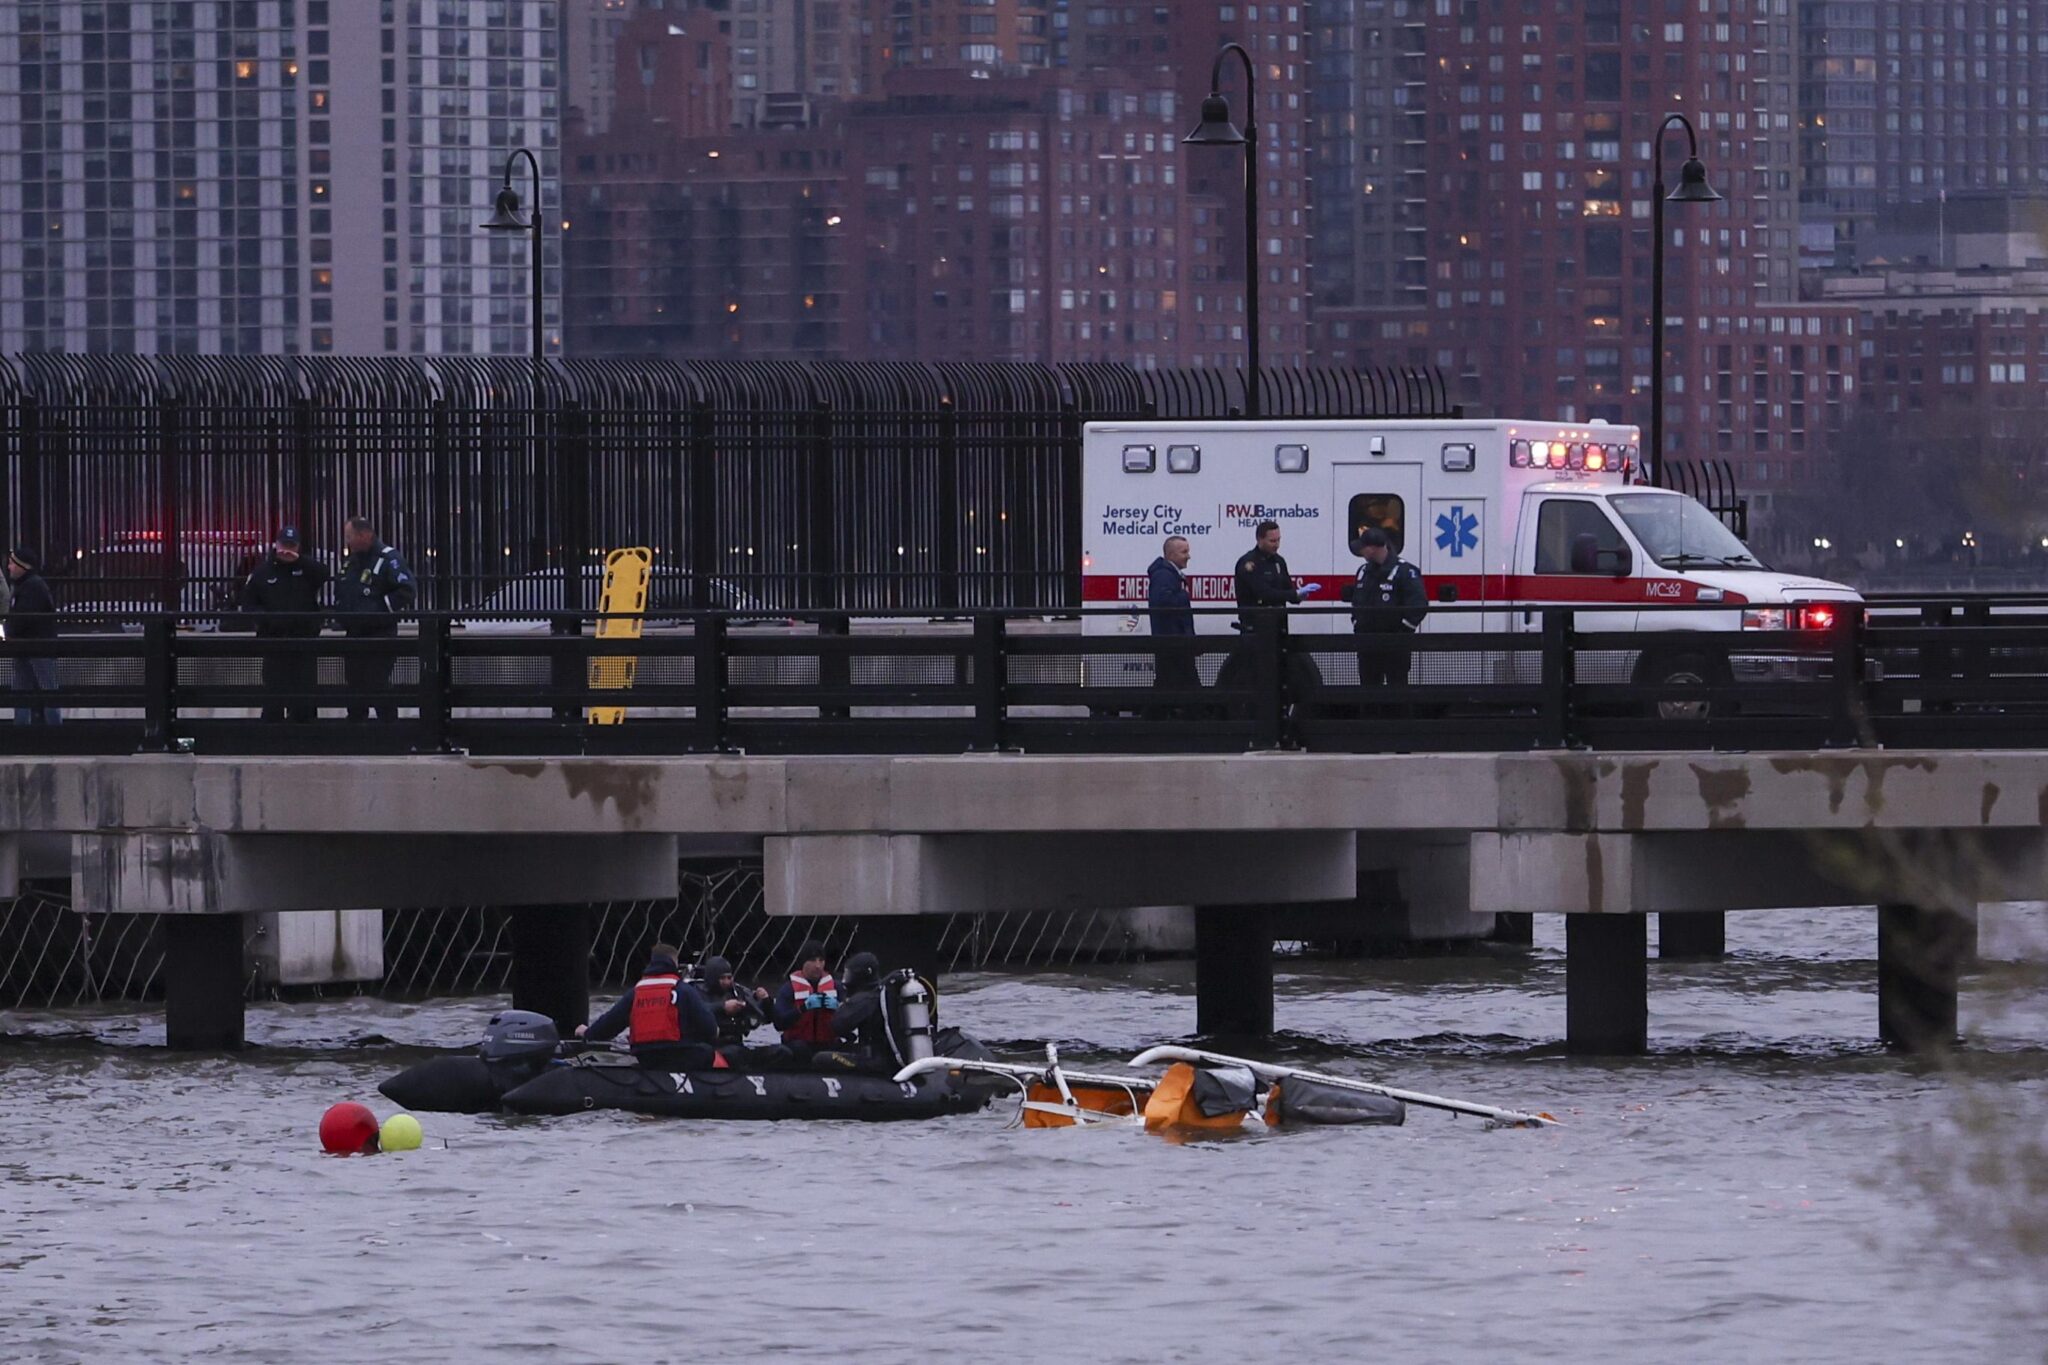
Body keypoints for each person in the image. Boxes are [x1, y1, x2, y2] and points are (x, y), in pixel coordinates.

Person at [576, 943, 719, 1070]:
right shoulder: (682, 990)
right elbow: (709, 1028)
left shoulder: (637, 991)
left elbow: (609, 1023)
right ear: (674, 962)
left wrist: (587, 1033)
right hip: (677, 1055)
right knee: (711, 1051)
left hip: (645, 1057)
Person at [238, 526, 329, 722]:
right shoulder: (262, 572)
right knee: (273, 692)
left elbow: (324, 574)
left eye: (292, 546)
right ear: (276, 545)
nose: (287, 550)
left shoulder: (307, 569)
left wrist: (300, 560)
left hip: (305, 641)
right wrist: (267, 620)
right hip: (273, 642)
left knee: (305, 693)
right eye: (284, 545)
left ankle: (305, 732)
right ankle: (272, 732)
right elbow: (249, 604)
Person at [333, 515, 416, 721]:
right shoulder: (352, 561)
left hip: (380, 633)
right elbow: (343, 589)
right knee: (354, 683)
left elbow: (406, 590)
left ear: (365, 535)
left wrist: (379, 610)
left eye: (350, 536)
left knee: (378, 683)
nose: (347, 541)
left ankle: (388, 728)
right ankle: (356, 728)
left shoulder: (389, 558)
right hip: (354, 633)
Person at [1341, 527, 1428, 704]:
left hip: (1395, 646)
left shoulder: (1405, 571)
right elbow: (1357, 602)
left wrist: (1402, 631)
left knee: (1398, 692)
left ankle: (1398, 729)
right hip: (1367, 645)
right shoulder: (1363, 571)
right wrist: (1357, 622)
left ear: (1373, 548)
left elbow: (1418, 605)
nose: (1360, 551)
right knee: (1368, 693)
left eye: (1363, 547)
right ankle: (1370, 728)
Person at [1233, 519, 1320, 635]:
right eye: (1272, 541)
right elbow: (1264, 593)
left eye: (1279, 540)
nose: (1277, 545)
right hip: (1256, 628)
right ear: (1259, 540)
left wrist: (1299, 596)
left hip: (1279, 625)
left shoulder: (1279, 561)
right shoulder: (1248, 563)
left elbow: (1287, 589)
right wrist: (1294, 594)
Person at [5, 546, 60, 725]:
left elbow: (24, 617)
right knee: (25, 688)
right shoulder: (28, 584)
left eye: (12, 563)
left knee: (42, 687)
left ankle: (52, 729)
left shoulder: (31, 587)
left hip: (35, 646)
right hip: (28, 645)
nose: (9, 567)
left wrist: (10, 632)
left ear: (23, 566)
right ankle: (27, 727)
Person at [1146, 535, 1200, 704]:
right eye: (1184, 552)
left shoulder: (1168, 575)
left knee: (1167, 688)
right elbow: (1163, 602)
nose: (1188, 556)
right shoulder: (1164, 576)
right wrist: (1183, 595)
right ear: (1171, 555)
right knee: (1183, 688)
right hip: (1173, 643)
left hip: (1174, 643)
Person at [821, 951, 893, 1069]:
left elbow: (838, 1025)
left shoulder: (866, 999)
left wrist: (841, 1005)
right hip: (886, 1056)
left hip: (875, 1061)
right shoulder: (882, 993)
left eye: (849, 975)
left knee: (820, 1058)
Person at [770, 940, 840, 1055]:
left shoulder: (837, 987)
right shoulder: (788, 989)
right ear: (803, 962)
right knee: (798, 1049)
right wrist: (803, 1008)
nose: (818, 966)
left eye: (821, 960)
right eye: (812, 960)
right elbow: (779, 1023)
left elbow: (850, 1022)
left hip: (827, 1046)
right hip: (798, 1046)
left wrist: (838, 1008)